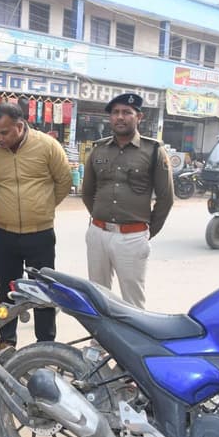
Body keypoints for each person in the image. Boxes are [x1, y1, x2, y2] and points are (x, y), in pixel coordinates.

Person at [0, 102, 72, 349]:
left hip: (40, 234)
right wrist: (0, 207)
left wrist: (43, 208)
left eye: (4, 132)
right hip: (4, 234)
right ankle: (6, 343)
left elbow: (63, 181)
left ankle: (45, 345)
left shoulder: (48, 146)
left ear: (20, 126)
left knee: (44, 292)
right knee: (7, 291)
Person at [82, 93, 174, 309]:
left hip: (132, 237)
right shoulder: (98, 149)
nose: (120, 117)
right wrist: (100, 218)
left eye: (127, 112)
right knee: (98, 297)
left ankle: (132, 334)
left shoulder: (153, 151)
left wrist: (146, 232)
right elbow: (87, 192)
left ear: (139, 117)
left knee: (133, 302)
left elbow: (166, 198)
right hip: (98, 234)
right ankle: (101, 333)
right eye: (115, 113)